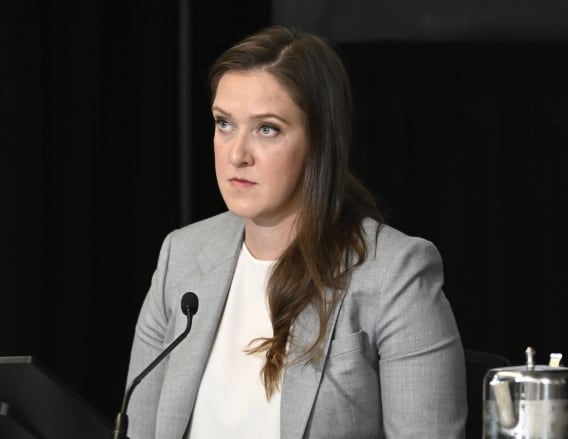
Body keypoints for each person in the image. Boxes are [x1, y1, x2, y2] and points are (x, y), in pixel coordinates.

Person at [124, 26, 466, 438]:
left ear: (320, 141)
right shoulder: (181, 254)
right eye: (224, 123)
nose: (237, 154)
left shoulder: (395, 273)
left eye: (267, 129)